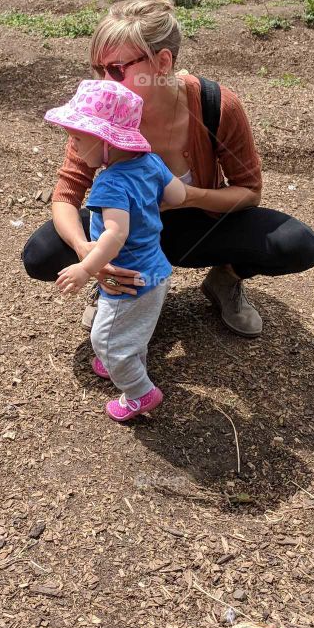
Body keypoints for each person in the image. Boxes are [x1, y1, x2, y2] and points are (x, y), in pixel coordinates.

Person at [24, 0, 314, 336]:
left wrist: (187, 197)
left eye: (116, 70)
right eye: (98, 69)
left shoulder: (217, 105)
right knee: (41, 253)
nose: (104, 82)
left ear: (162, 62)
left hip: (198, 227)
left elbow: (249, 193)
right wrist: (89, 253)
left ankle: (225, 279)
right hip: (125, 230)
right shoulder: (103, 112)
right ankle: (119, 289)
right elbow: (65, 195)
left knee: (296, 244)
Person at [44, 78, 187, 421]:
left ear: (107, 141)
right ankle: (121, 363)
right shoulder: (150, 162)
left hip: (127, 278)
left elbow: (115, 234)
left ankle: (140, 393)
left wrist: (86, 268)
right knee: (135, 328)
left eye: (78, 138)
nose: (74, 147)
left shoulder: (110, 182)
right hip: (156, 269)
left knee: (106, 340)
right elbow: (179, 196)